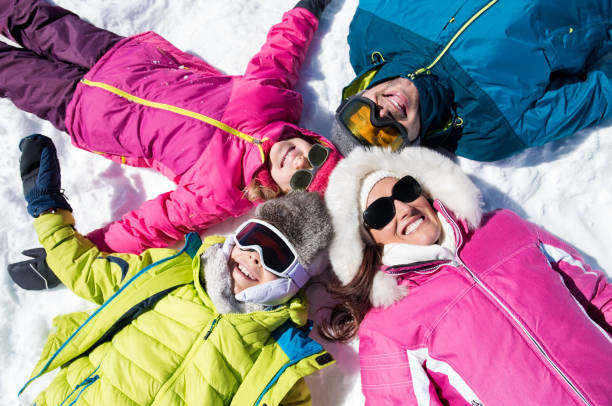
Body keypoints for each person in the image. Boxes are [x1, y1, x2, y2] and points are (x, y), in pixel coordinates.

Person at [0, 0, 341, 257]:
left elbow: (154, 224)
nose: (300, 163)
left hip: (84, 111)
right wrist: (309, 8)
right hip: (121, 58)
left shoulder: (223, 191)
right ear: (316, 140)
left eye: (303, 179)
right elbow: (282, 52)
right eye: (317, 157)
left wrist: (76, 254)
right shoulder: (271, 100)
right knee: (30, 16)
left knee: (9, 70)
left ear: (285, 193)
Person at [15, 134, 335, 405]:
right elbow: (87, 270)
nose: (253, 257)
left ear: (295, 280)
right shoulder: (169, 276)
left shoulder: (278, 358)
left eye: (275, 257)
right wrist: (48, 209)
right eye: (253, 239)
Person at [320, 146, 612, 405]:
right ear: (367, 239)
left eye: (405, 190)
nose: (403, 208)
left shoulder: (504, 228)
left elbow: (597, 295)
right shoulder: (388, 328)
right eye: (380, 212)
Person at [330, 0, 612, 161]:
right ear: (411, 143)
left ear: (355, 96)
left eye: (361, 117)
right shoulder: (488, 132)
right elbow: (599, 94)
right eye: (388, 136)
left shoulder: (370, 29)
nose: (384, 115)